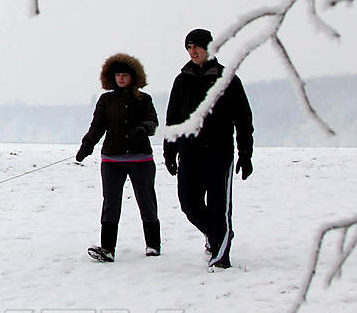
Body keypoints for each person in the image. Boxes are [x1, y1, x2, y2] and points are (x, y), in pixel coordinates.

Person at [163, 28, 254, 270]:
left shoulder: (228, 79)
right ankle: (218, 236)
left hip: (219, 154)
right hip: (190, 154)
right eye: (189, 47)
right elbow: (173, 118)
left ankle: (221, 257)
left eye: (197, 46)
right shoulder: (182, 80)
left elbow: (243, 119)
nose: (193, 51)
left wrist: (245, 154)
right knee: (188, 203)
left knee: (218, 207)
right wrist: (169, 151)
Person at [75, 53, 160, 262]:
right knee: (111, 202)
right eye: (117, 75)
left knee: (146, 201)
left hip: (141, 159)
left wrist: (143, 128)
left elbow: (153, 122)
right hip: (112, 160)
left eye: (125, 75)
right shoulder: (106, 100)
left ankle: (153, 244)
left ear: (134, 77)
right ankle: (107, 248)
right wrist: (87, 146)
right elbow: (97, 126)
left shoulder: (144, 99)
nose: (121, 78)